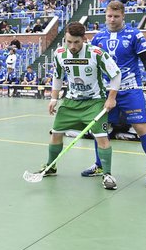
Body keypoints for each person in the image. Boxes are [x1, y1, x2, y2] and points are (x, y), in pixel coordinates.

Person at [82, 1, 146, 187]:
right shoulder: (98, 37)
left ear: (123, 16)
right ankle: (99, 166)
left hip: (129, 88)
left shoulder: (135, 34)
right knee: (100, 128)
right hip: (105, 91)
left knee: (141, 127)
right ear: (105, 15)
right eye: (109, 16)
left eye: (116, 16)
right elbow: (92, 63)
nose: (112, 20)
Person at [39, 23, 121, 190]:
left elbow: (116, 74)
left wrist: (111, 98)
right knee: (56, 134)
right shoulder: (60, 54)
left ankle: (107, 174)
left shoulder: (96, 53)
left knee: (101, 137)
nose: (72, 46)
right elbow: (57, 77)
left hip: (95, 102)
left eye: (76, 42)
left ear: (84, 39)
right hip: (70, 102)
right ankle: (51, 166)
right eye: (69, 42)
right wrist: (54, 99)